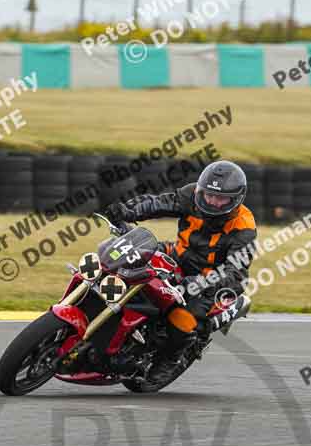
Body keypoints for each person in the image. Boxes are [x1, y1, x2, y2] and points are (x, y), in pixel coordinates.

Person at [105, 160, 257, 385]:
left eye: (220, 198)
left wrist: (202, 282)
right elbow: (159, 203)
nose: (212, 202)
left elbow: (235, 273)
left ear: (236, 199)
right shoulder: (193, 195)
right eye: (208, 195)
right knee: (127, 259)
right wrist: (128, 211)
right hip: (177, 256)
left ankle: (171, 359)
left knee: (184, 316)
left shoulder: (244, 228)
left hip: (210, 280)